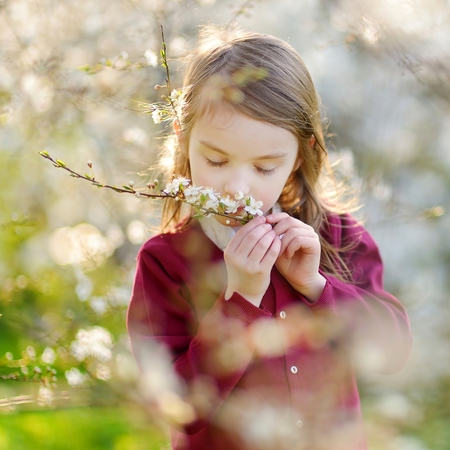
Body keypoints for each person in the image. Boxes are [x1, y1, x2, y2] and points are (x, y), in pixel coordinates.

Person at [127, 25, 412, 450]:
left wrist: (318, 287)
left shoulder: (335, 236)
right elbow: (175, 403)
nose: (237, 187)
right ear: (183, 140)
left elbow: (392, 353)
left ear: (300, 155)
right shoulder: (166, 262)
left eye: (264, 168)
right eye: (217, 160)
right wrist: (239, 301)